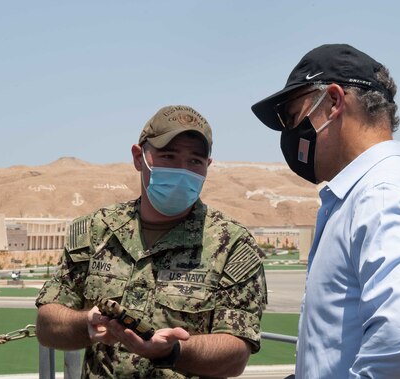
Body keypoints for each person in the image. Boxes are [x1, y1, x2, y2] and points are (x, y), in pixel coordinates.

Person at [251, 44, 400, 378]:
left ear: (335, 103)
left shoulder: (381, 195)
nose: (291, 134)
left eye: (293, 117)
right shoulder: (374, 192)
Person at [35, 105, 267, 378]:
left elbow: (235, 355)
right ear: (138, 157)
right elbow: (47, 325)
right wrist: (86, 323)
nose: (182, 170)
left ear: (208, 166)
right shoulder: (95, 231)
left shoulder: (231, 244)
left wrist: (172, 351)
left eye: (195, 161)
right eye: (168, 156)